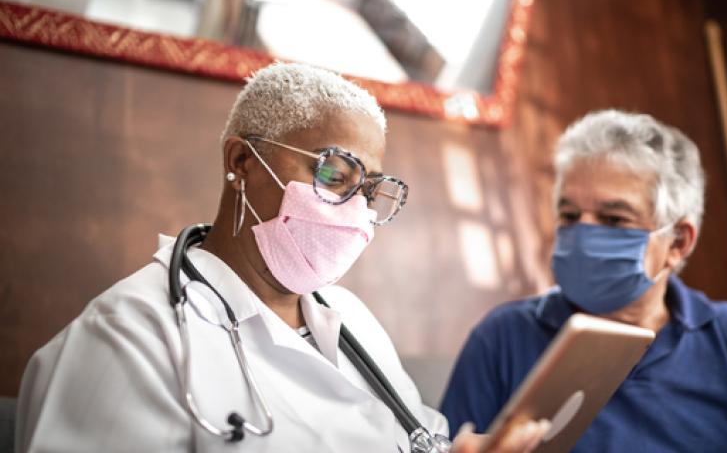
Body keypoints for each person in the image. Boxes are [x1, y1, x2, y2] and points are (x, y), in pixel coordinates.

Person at [15, 63, 549, 452]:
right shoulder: (129, 337)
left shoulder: (353, 321)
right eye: (334, 175)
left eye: (370, 190)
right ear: (242, 162)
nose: (356, 210)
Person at [439, 110, 727, 452]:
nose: (581, 234)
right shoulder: (502, 337)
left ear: (678, 242)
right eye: (568, 215)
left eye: (614, 219)